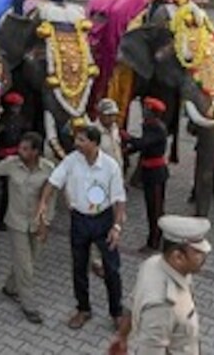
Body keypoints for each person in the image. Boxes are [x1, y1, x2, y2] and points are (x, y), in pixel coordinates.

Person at [36, 125, 127, 331]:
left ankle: (117, 312)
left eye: (82, 140)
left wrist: (117, 227)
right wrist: (43, 203)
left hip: (104, 220)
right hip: (79, 220)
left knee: (112, 269)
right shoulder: (71, 161)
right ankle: (83, 309)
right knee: (79, 267)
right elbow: (53, 182)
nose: (76, 144)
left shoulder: (110, 166)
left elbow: (119, 200)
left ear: (94, 143)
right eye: (76, 139)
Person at [0, 132, 55, 324]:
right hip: (16, 223)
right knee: (26, 266)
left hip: (37, 223)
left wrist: (45, 224)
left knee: (30, 259)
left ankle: (10, 288)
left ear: (36, 152)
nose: (20, 151)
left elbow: (50, 199)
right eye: (20, 147)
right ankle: (29, 305)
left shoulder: (49, 169)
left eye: (25, 149)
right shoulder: (11, 164)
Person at [111, 216, 212, 355]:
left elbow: (133, 303)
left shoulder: (153, 263)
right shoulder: (163, 305)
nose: (204, 256)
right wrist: (122, 337)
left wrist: (121, 337)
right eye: (198, 252)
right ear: (178, 257)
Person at [122, 98, 169, 253]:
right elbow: (143, 147)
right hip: (149, 171)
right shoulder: (150, 126)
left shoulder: (157, 128)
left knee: (155, 209)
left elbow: (143, 143)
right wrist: (126, 151)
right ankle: (157, 238)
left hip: (156, 174)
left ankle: (154, 243)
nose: (143, 113)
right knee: (153, 207)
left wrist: (127, 137)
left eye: (146, 110)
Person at [0, 92, 29, 230]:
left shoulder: (21, 120)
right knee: (7, 190)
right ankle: (1, 220)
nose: (16, 109)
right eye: (14, 107)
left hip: (18, 155)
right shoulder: (1, 119)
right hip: (3, 155)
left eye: (18, 107)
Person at [94, 99, 125, 169]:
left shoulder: (115, 128)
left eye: (114, 115)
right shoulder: (94, 132)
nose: (112, 118)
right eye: (109, 115)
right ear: (100, 114)